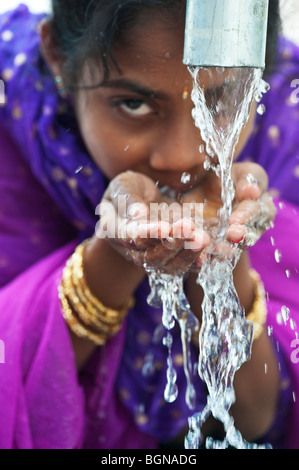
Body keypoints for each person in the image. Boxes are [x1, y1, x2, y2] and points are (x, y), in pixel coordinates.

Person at [0, 0, 298, 449]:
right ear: (59, 60)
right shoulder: (11, 136)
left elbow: (259, 422)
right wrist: (113, 258)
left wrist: (222, 260)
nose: (180, 157)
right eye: (134, 103)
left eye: (219, 102)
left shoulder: (284, 128)